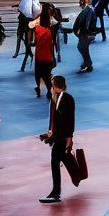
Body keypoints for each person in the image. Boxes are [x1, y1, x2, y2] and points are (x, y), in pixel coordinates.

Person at [39, 75, 77, 204]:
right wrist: (50, 135)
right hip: (59, 136)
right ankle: (57, 190)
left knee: (55, 161)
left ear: (54, 86)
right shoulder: (57, 98)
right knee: (62, 160)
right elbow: (58, 120)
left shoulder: (66, 98)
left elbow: (70, 120)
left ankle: (56, 193)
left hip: (62, 137)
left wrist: (69, 137)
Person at [32, 9, 56, 98]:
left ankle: (38, 87)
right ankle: (49, 91)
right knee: (46, 75)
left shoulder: (37, 29)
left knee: (37, 73)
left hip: (39, 55)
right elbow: (52, 44)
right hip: (48, 56)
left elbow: (35, 42)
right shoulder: (50, 30)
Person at [72, 0, 96, 73]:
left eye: (80, 4)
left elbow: (87, 23)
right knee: (83, 48)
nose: (80, 6)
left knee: (82, 48)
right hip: (84, 33)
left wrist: (85, 32)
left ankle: (88, 63)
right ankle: (87, 63)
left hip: (85, 33)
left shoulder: (88, 11)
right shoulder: (87, 10)